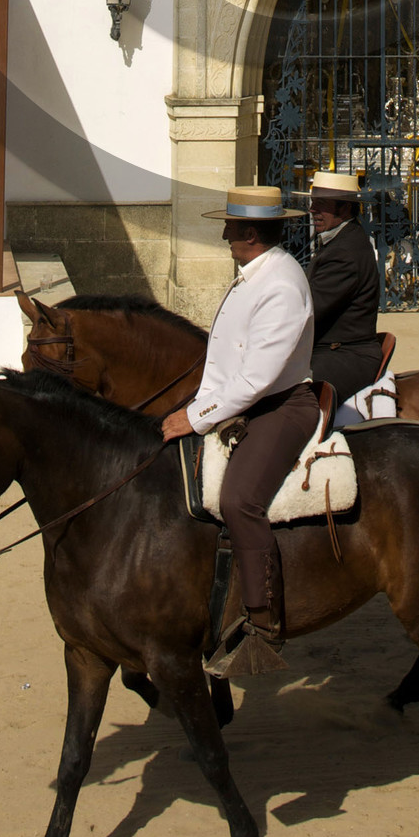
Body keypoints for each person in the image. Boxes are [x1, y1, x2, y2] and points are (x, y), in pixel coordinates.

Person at [161, 181, 315, 677]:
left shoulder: (281, 284)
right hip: (247, 402)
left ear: (248, 232)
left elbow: (256, 377)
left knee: (239, 501)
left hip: (281, 406)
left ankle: (262, 623)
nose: (224, 234)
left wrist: (196, 416)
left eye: (229, 226)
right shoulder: (257, 273)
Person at [302, 168, 383, 404]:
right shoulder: (340, 241)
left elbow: (309, 312)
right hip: (331, 348)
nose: (313, 210)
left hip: (344, 354)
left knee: (293, 400)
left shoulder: (344, 253)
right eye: (312, 202)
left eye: (322, 204)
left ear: (345, 208)